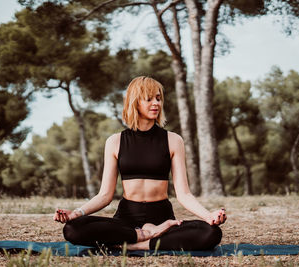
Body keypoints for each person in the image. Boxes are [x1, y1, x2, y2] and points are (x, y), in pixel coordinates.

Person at [53, 76, 227, 251]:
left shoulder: (173, 140)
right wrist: (76, 213)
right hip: (126, 220)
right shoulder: (115, 141)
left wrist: (209, 216)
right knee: (72, 229)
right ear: (135, 102)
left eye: (158, 98)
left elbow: (184, 194)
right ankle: (142, 236)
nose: (156, 104)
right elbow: (105, 195)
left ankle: (135, 246)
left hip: (162, 219)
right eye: (149, 98)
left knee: (211, 233)